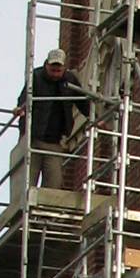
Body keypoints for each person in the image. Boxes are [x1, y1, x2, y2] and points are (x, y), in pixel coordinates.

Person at [20, 50, 88, 188]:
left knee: (53, 183)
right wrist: (20, 109)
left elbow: (83, 103)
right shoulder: (36, 77)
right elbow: (24, 99)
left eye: (58, 70)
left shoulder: (70, 80)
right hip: (34, 139)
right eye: (52, 70)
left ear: (64, 68)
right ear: (46, 65)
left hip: (55, 143)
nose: (55, 74)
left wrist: (97, 118)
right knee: (27, 182)